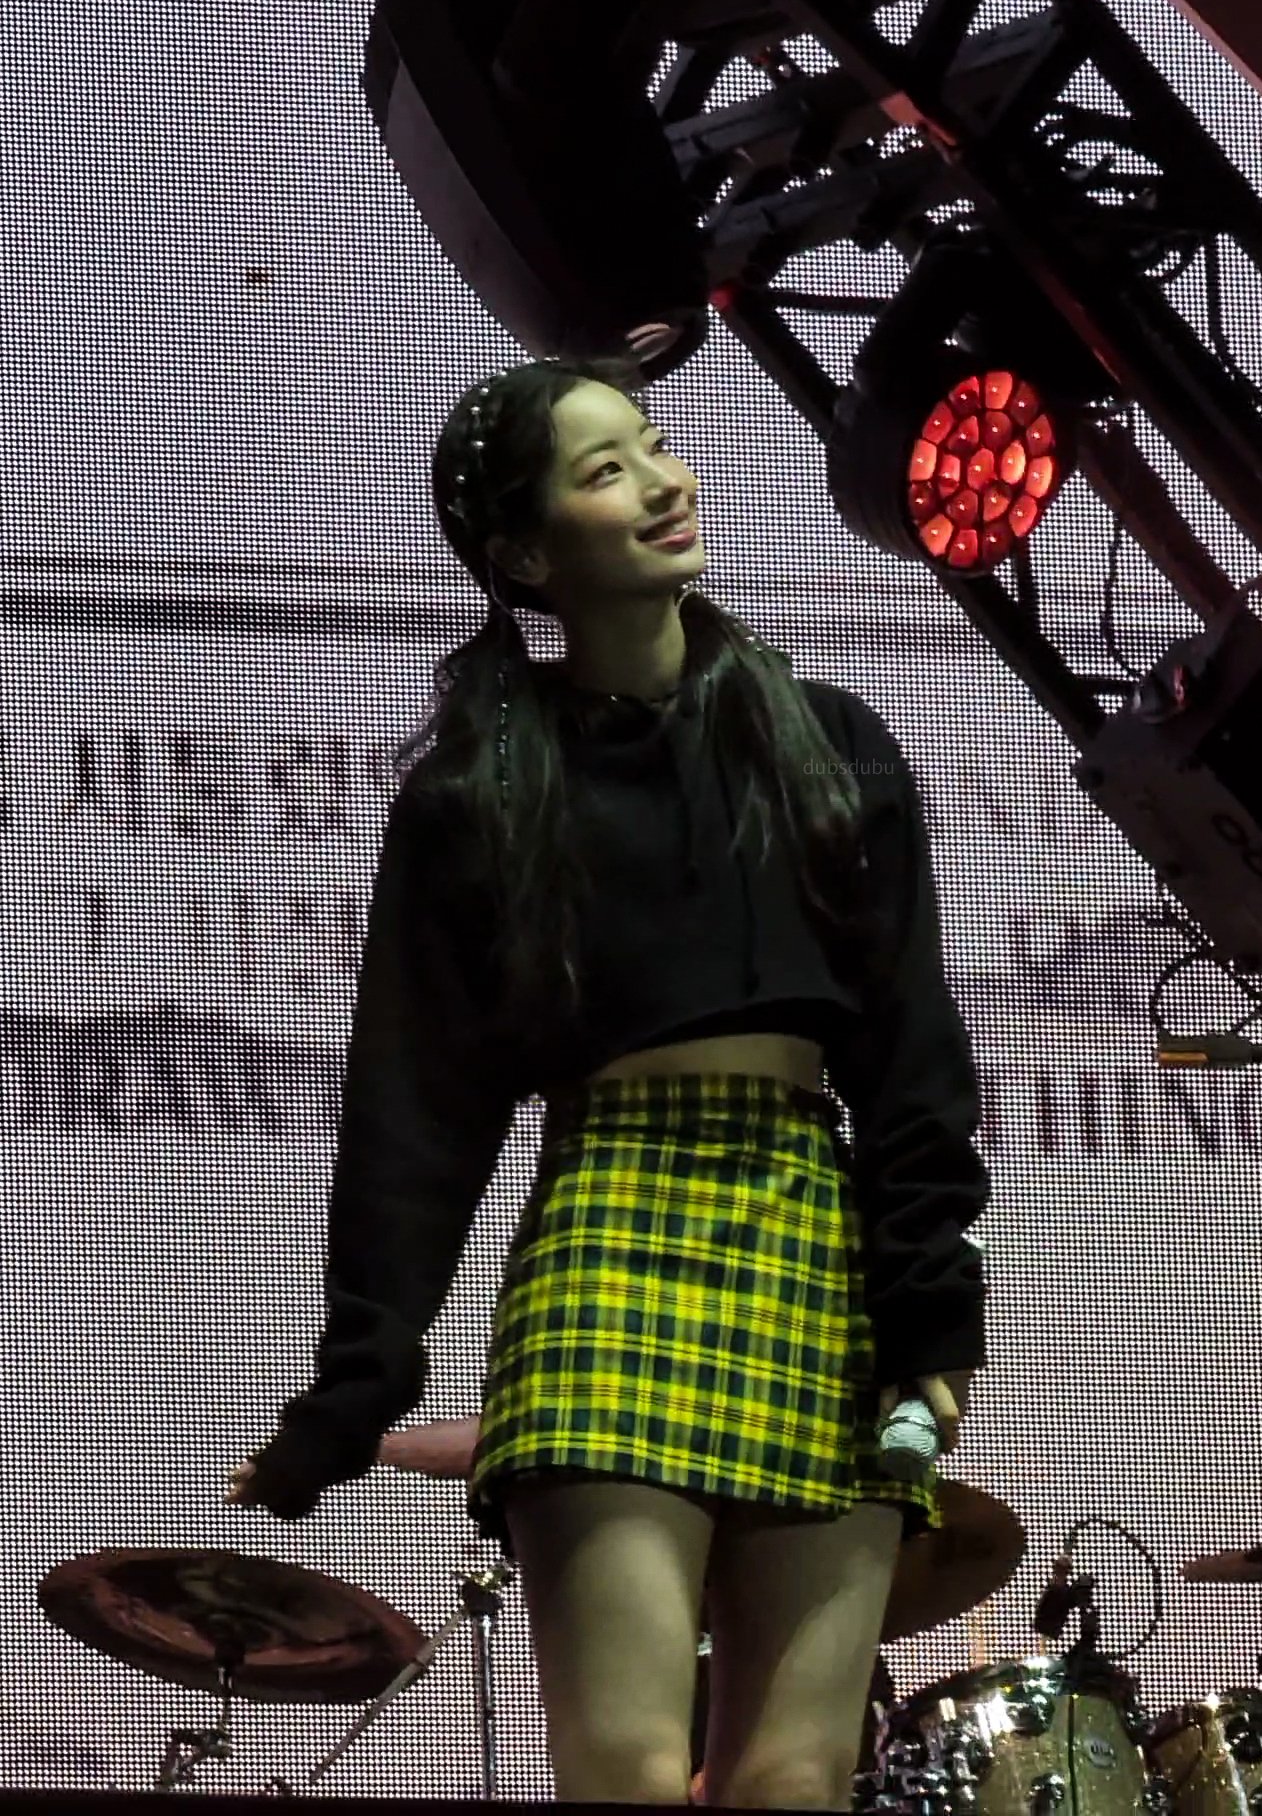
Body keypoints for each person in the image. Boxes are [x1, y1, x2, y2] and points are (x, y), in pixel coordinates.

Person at [226, 353, 991, 1812]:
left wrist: (929, 1312)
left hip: (809, 1232)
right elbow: (415, 1107)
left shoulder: (827, 742)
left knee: (795, 1775)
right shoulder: (478, 794)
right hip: (609, 1226)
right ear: (525, 555)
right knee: (627, 1767)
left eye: (651, 444)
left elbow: (911, 1050)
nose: (659, 482)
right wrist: (357, 1383)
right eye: (603, 470)